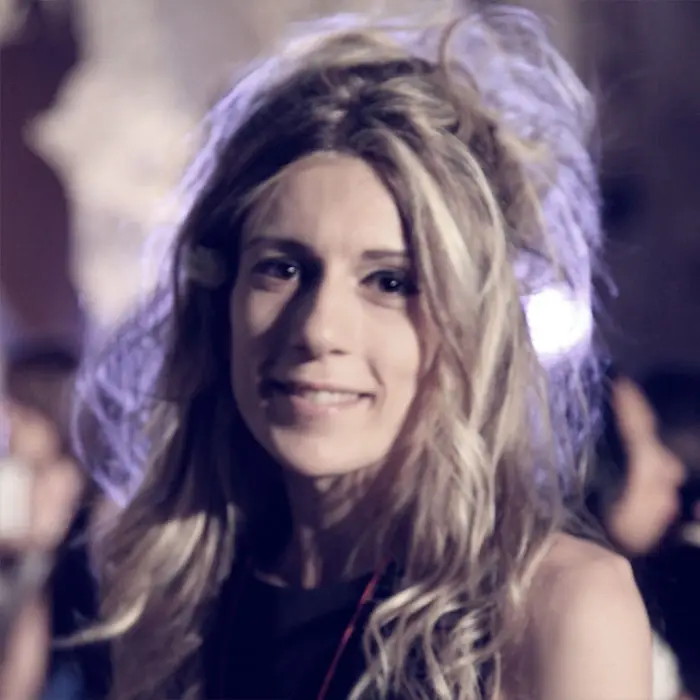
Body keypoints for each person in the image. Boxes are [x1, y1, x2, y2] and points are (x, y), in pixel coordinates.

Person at [1, 6, 651, 700]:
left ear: (473, 324)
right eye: (282, 268)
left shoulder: (558, 608)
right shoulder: (166, 595)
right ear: (222, 302)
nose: (318, 329)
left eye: (389, 282)